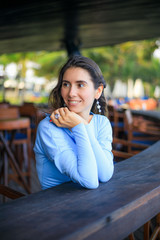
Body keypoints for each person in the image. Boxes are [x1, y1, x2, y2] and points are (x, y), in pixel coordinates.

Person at [34, 56, 114, 190]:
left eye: (80, 85)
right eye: (66, 84)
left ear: (98, 91)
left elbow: (105, 174)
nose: (71, 93)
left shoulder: (101, 123)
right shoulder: (48, 128)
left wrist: (81, 124)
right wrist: (79, 127)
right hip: (55, 206)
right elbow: (89, 181)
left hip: (94, 204)